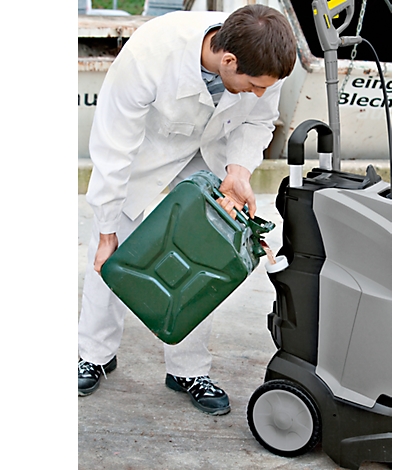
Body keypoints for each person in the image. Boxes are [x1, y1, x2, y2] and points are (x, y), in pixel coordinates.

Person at [78, 4, 297, 416]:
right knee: (110, 251)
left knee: (202, 255)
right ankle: (94, 352)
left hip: (209, 155)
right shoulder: (151, 53)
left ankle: (187, 370)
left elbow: (258, 122)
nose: (260, 94)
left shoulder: (265, 61)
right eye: (252, 85)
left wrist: (239, 170)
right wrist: (107, 226)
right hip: (145, 150)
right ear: (227, 60)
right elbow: (113, 146)